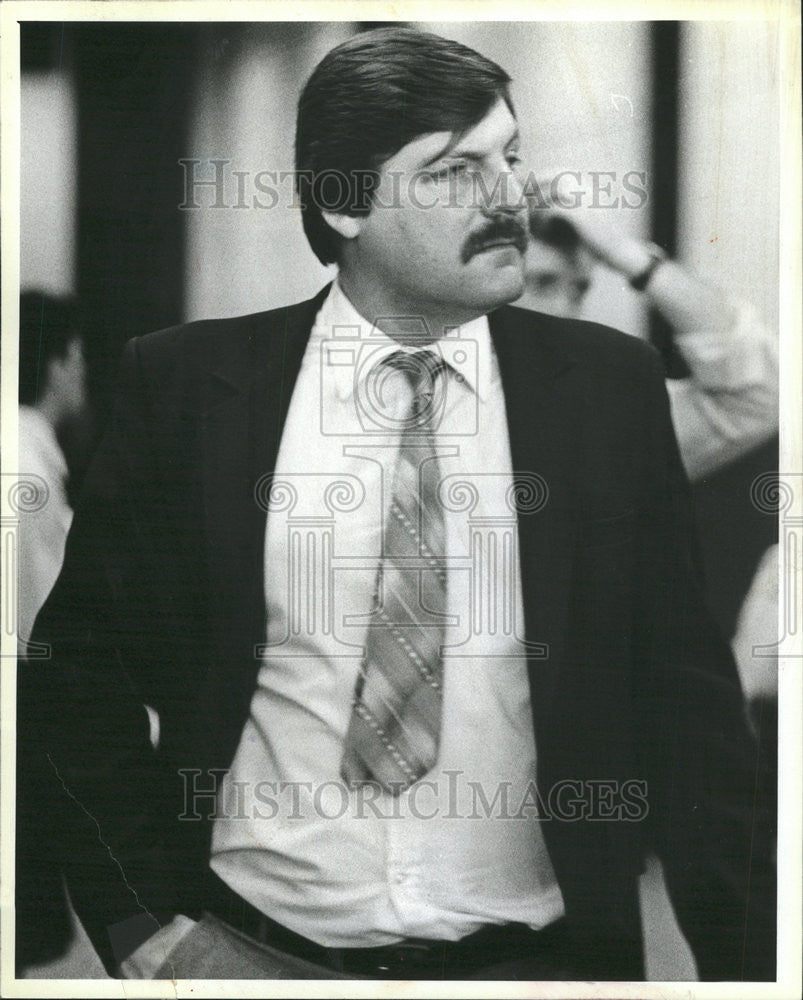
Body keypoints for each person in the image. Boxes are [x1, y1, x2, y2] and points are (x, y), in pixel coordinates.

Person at [17, 27, 775, 982]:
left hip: (535, 962)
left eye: (510, 156)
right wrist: (149, 935)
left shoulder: (603, 391)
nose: (508, 197)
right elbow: (78, 680)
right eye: (455, 169)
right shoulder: (189, 387)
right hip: (252, 950)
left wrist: (749, 971)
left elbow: (687, 712)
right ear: (342, 205)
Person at [518, 210, 779, 482]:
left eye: (579, 290)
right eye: (541, 283)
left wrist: (635, 261)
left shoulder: (602, 416)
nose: (565, 310)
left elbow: (759, 396)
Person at [17, 292, 88, 652]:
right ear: (54, 366)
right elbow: (40, 625)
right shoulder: (30, 473)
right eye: (77, 357)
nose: (83, 373)